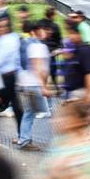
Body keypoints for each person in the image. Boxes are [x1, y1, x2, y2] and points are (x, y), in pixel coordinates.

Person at [16, 21, 51, 150]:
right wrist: (43, 87)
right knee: (36, 112)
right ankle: (24, 140)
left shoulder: (28, 44)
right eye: (43, 29)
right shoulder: (37, 46)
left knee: (29, 112)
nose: (45, 32)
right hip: (34, 84)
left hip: (26, 82)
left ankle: (24, 139)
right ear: (35, 31)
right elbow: (38, 68)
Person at [62, 27, 90, 101]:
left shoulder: (85, 51)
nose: (69, 36)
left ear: (80, 34)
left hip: (82, 93)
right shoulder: (75, 49)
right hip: (74, 92)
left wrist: (88, 95)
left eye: (72, 33)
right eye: (68, 33)